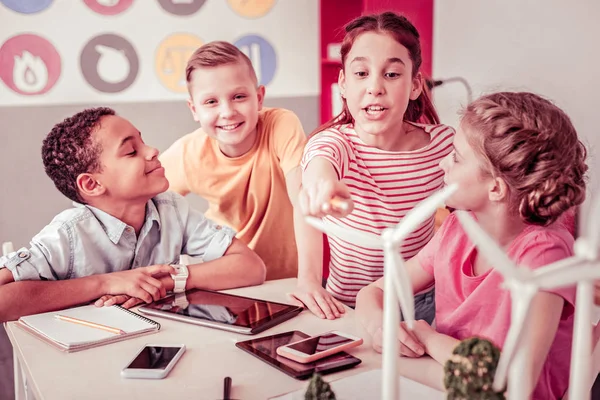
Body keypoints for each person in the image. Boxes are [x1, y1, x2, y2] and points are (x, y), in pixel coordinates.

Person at [355, 92, 587, 399]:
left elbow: (511, 380)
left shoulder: (544, 255)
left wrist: (427, 336)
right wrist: (381, 328)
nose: (442, 164)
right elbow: (375, 291)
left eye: (456, 157)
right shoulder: (457, 227)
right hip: (448, 383)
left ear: (495, 187)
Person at [0, 107, 266, 322]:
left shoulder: (170, 208)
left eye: (143, 141)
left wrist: (168, 280)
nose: (152, 151)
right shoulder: (68, 234)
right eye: (131, 151)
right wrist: (105, 284)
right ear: (92, 184)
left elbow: (251, 267)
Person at [295, 12, 454, 319]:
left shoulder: (444, 146)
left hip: (419, 304)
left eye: (392, 75)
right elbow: (319, 170)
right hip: (345, 306)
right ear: (343, 83)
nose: (375, 87)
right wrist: (322, 188)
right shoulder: (333, 143)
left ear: (415, 85)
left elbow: (470, 216)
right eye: (361, 73)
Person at [160, 41, 308, 281]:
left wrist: (308, 280)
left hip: (290, 279)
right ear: (194, 109)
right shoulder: (188, 152)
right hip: (229, 279)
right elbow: (138, 197)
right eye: (211, 102)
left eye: (239, 96)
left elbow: (303, 201)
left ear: (259, 98)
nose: (227, 112)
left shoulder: (281, 125)